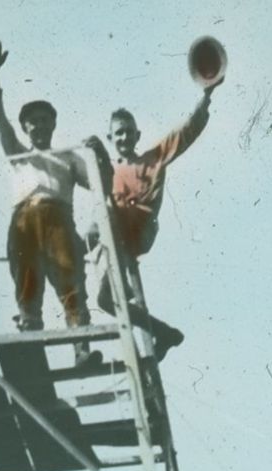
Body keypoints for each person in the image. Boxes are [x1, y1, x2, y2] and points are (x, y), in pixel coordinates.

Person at [0, 41, 111, 368]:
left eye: (45, 120)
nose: (39, 126)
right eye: (33, 121)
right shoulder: (19, 154)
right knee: (27, 285)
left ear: (53, 125)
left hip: (59, 221)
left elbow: (102, 185)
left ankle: (81, 351)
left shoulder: (68, 157)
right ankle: (30, 356)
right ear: (25, 127)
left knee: (71, 281)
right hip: (25, 220)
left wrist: (100, 153)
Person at [92, 84, 220, 359]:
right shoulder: (109, 172)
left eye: (128, 131)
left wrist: (205, 97)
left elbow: (184, 132)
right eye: (118, 133)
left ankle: (119, 273)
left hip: (140, 227)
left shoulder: (153, 159)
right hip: (117, 235)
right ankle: (163, 332)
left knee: (107, 216)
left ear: (137, 134)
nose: (124, 137)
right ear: (111, 137)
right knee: (104, 300)